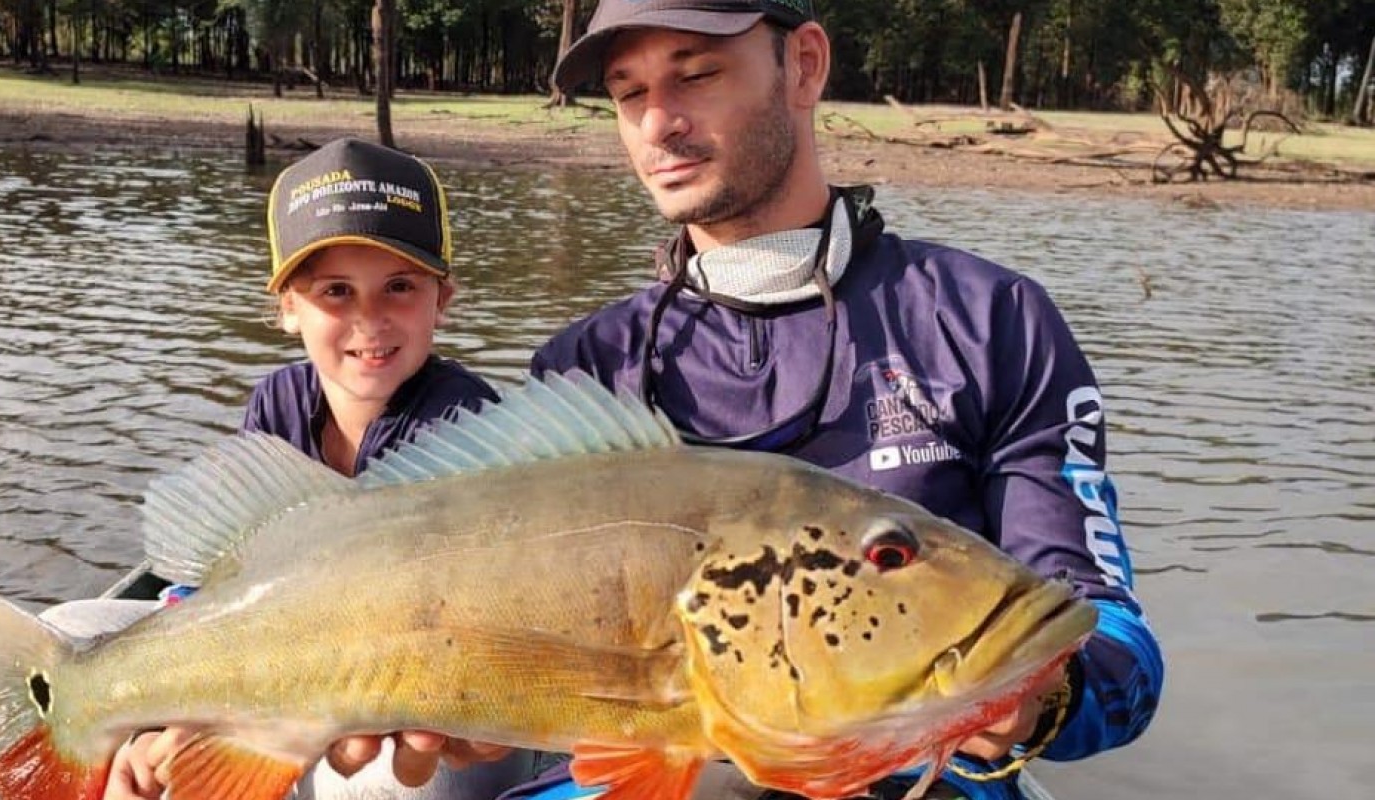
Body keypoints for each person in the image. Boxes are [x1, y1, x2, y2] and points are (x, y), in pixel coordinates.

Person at [501, 2, 1165, 798]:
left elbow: (1111, 637)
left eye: (697, 74)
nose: (658, 124)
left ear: (805, 65)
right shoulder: (584, 369)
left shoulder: (993, 320)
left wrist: (1042, 698)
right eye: (627, 93)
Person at [73, 137, 528, 800]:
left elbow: (418, 624)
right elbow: (243, 579)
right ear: (289, 308)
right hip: (292, 654)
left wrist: (197, 725)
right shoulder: (277, 401)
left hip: (426, 707)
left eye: (399, 286)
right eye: (335, 292)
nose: (369, 320)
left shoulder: (470, 423)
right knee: (62, 639)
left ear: (442, 299)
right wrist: (175, 717)